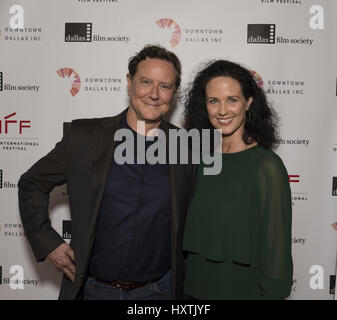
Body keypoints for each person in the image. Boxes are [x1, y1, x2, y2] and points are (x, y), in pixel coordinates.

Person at [18, 44, 196, 300]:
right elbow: (31, 183)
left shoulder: (187, 147)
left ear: (174, 93)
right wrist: (48, 243)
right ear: (129, 82)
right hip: (92, 290)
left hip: (160, 292)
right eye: (146, 82)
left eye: (165, 86)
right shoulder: (85, 137)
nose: (154, 94)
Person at [182, 60, 293, 300]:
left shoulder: (266, 166)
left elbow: (277, 252)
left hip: (241, 291)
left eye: (232, 99)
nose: (223, 110)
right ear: (205, 105)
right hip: (193, 293)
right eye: (214, 101)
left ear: (248, 102)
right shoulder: (201, 161)